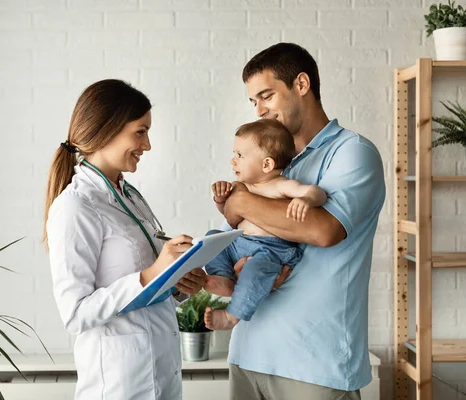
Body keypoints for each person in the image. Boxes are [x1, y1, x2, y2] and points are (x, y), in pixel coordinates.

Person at [221, 43, 385, 400]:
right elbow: (233, 224)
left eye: (266, 95)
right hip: (249, 354)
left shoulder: (352, 152)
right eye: (253, 102)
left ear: (301, 84)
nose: (260, 110)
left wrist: (243, 198)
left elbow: (322, 229)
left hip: (314, 366)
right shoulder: (267, 158)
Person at [43, 79, 206, 400]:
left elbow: (144, 286)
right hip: (118, 386)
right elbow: (75, 314)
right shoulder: (75, 205)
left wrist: (177, 283)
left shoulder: (130, 195)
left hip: (161, 375)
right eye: (140, 132)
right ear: (107, 129)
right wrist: (151, 274)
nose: (147, 145)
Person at [203, 119, 327, 331]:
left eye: (240, 155)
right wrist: (220, 199)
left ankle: (231, 316)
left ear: (267, 164)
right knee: (212, 238)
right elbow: (230, 217)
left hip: (270, 250)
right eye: (234, 154)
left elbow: (316, 192)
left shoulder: (280, 186)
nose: (233, 161)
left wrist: (306, 200)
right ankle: (223, 277)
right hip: (239, 242)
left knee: (254, 270)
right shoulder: (240, 187)